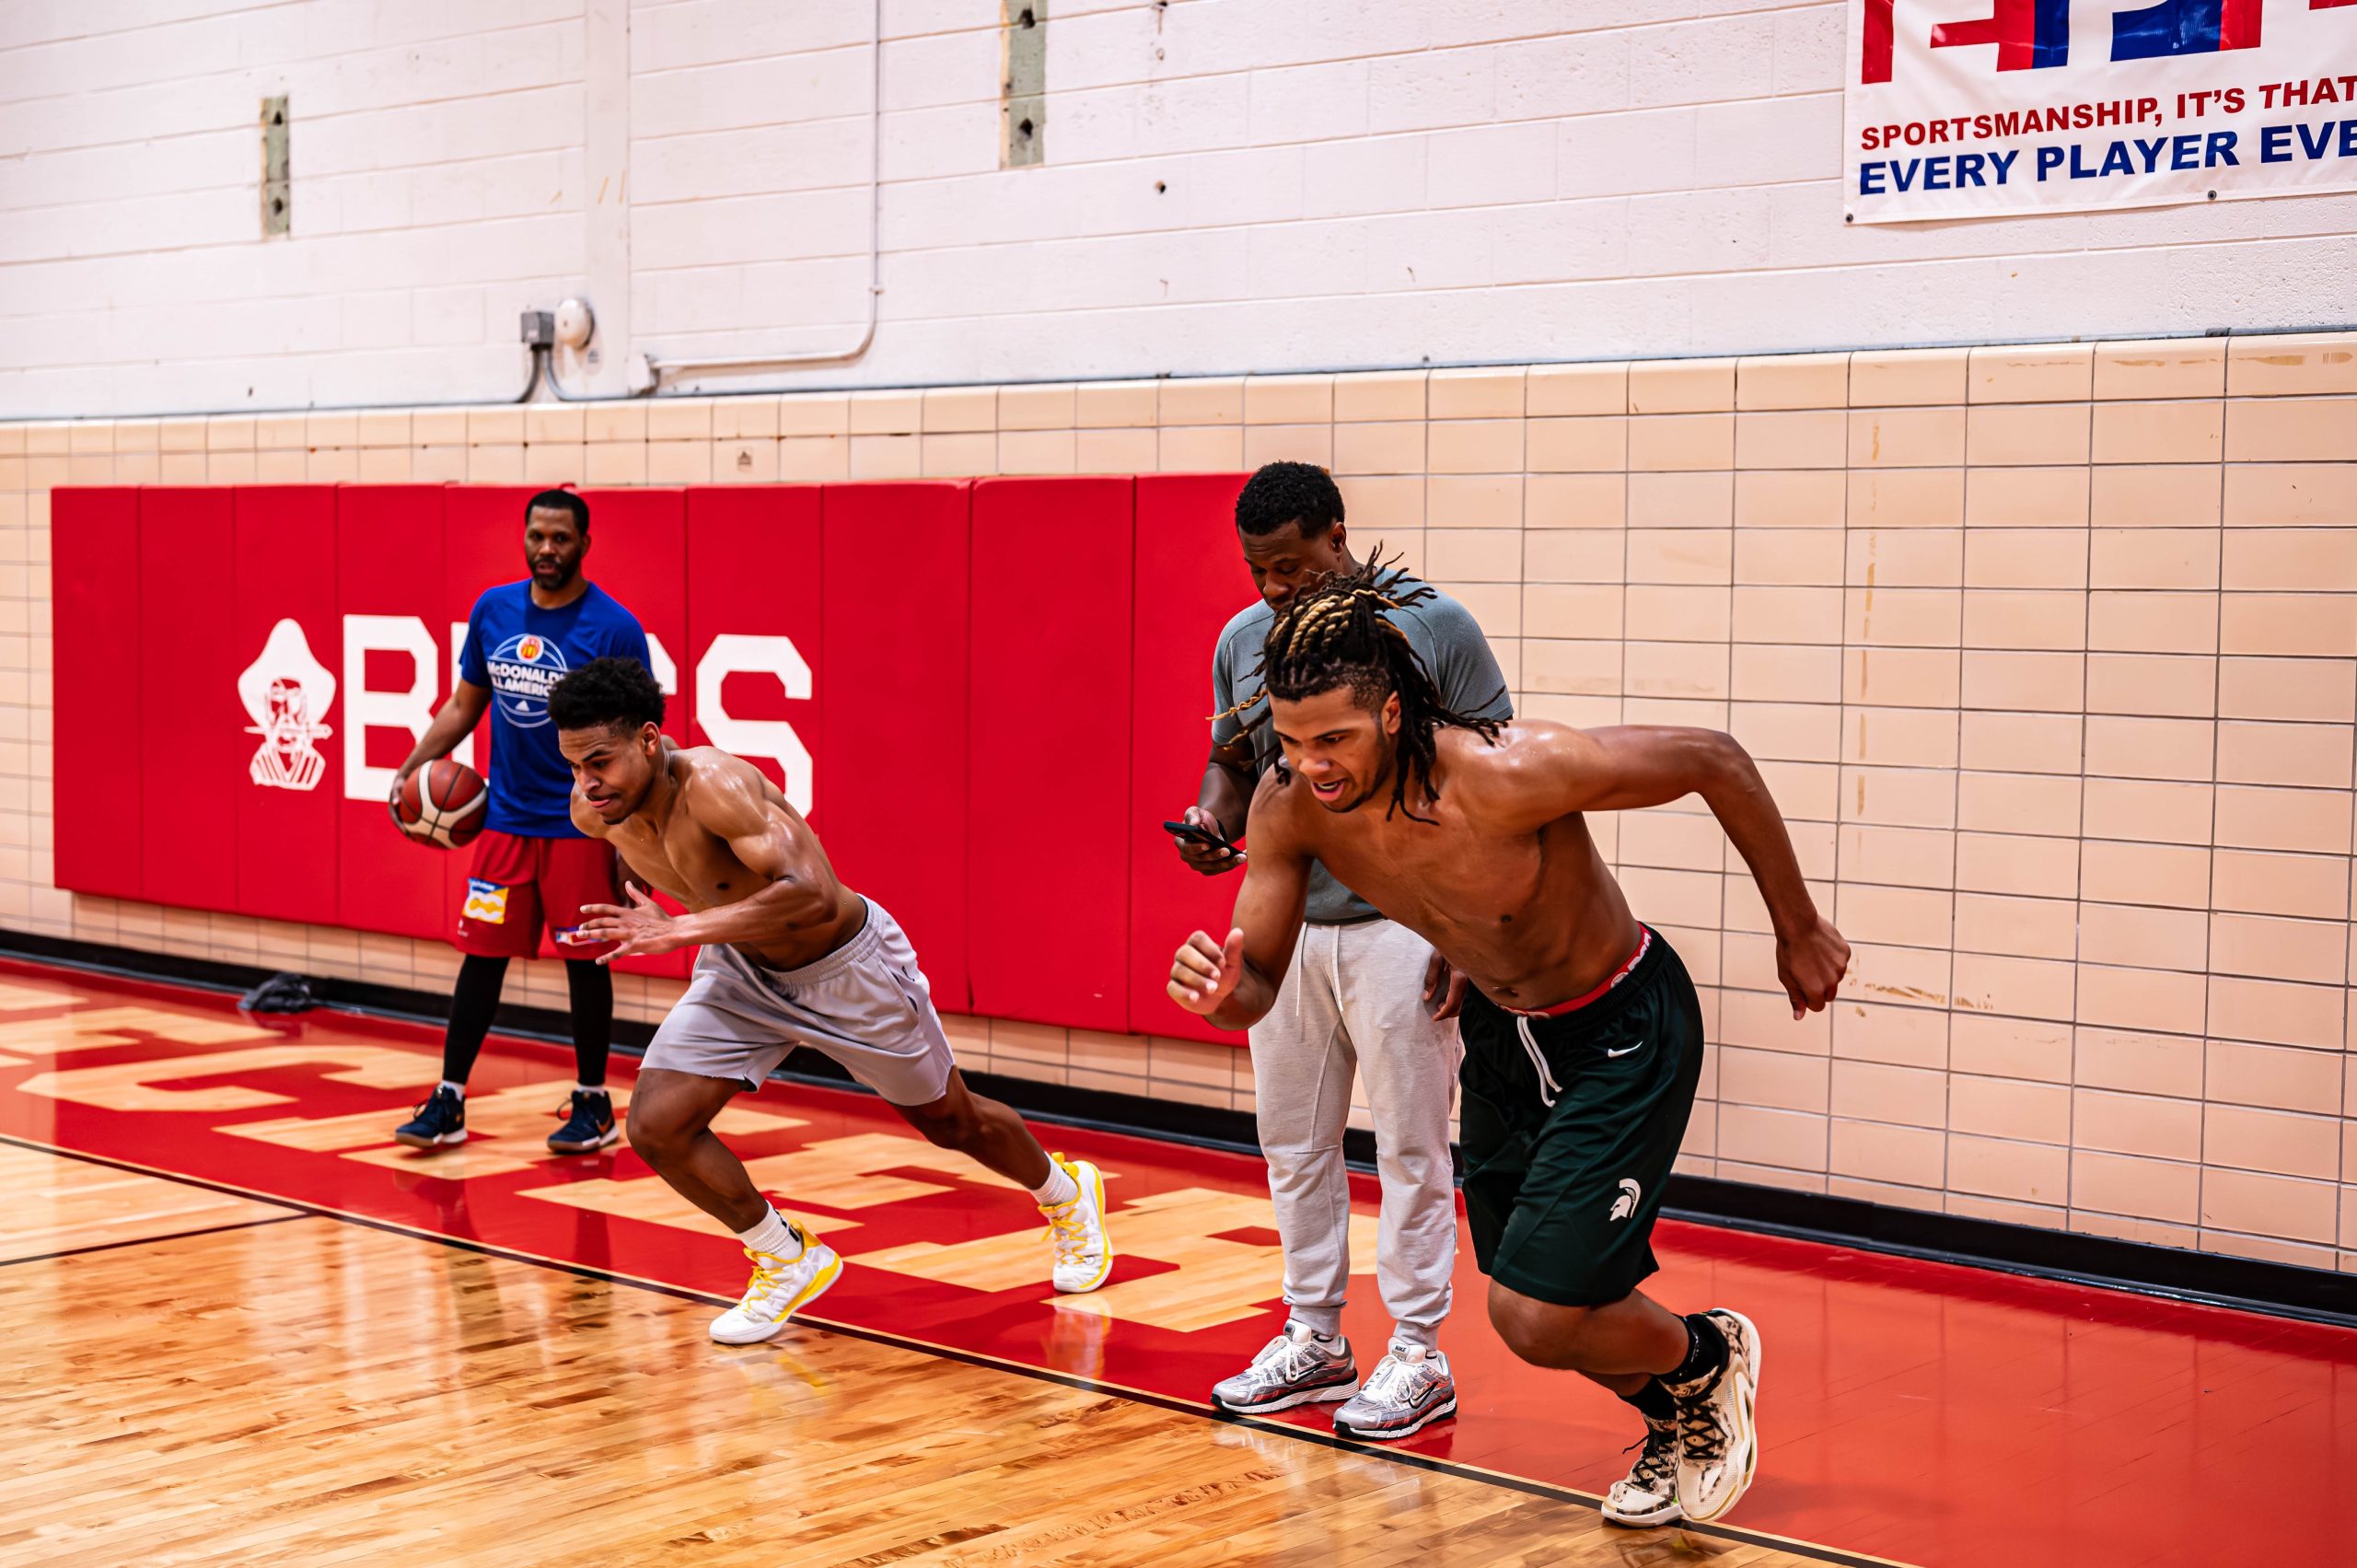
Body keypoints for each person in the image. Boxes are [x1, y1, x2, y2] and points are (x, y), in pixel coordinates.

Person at [1167, 563, 1849, 1528]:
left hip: (1621, 1024)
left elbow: (1713, 757)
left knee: (1533, 1312)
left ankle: (1705, 1357)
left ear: (1394, 714)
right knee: (1555, 1294)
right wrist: (1227, 994)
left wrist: (1797, 927)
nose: (1310, 761)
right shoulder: (1290, 806)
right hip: (1499, 1030)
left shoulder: (1506, 768)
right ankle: (1674, 1414)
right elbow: (1261, 981)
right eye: (1289, 740)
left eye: (1333, 737)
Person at [548, 656, 1113, 1343]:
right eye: (574, 765)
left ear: (648, 738)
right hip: (741, 973)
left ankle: (1066, 1194)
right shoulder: (595, 810)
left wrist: (684, 928)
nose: (586, 783)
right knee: (656, 1126)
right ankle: (788, 1256)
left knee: (951, 1121)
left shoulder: (717, 785)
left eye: (599, 761)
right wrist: (662, 917)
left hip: (846, 968)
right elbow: (663, 869)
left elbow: (812, 892)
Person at [1175, 461, 1506, 1443]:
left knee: (1411, 1138)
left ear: (1336, 535)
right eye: (1256, 568)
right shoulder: (1243, 638)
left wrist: (1468, 929)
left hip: (1407, 918)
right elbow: (1234, 762)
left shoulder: (1431, 624)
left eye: (1290, 563)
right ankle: (1314, 1334)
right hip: (1291, 921)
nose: (1274, 587)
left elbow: (1493, 771)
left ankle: (1418, 1350)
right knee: (1293, 1139)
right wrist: (1210, 817)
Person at [389, 489, 650, 1158]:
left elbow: (642, 739)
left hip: (580, 825)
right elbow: (462, 706)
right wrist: (414, 766)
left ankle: (593, 1102)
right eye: (537, 535)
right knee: (480, 957)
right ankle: (449, 1097)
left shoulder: (614, 628)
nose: (547, 550)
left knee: (586, 964)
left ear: (584, 545)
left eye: (561, 538)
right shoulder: (493, 609)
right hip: (504, 821)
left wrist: (630, 837)